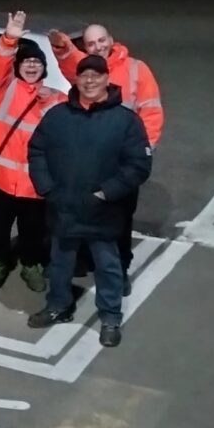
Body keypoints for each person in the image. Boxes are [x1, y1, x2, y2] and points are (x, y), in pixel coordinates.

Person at [26, 55, 152, 348]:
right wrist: (47, 188)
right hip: (64, 206)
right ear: (76, 79)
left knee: (108, 267)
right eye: (84, 75)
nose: (90, 81)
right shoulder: (57, 116)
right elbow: (37, 151)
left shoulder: (125, 121)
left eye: (96, 75)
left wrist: (107, 192)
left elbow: (138, 166)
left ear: (107, 79)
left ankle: (110, 316)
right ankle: (59, 305)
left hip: (103, 211)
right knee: (59, 263)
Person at [49, 24, 162, 292]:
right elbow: (68, 63)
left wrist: (141, 154)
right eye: (91, 43)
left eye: (102, 41)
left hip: (121, 162)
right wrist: (62, 45)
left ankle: (119, 269)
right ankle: (88, 260)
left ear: (111, 40)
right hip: (91, 160)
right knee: (87, 211)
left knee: (119, 220)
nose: (98, 46)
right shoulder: (88, 69)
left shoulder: (136, 69)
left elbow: (152, 112)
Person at [0, 12, 67, 291]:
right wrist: (10, 38)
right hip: (0, 182)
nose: (31, 66)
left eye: (36, 62)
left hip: (34, 185)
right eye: (26, 61)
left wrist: (49, 103)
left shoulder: (56, 98)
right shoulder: (1, 88)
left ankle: (31, 265)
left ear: (44, 68)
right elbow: (1, 63)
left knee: (33, 232)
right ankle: (0, 261)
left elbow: (66, 135)